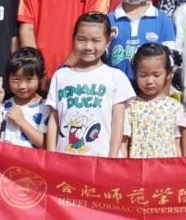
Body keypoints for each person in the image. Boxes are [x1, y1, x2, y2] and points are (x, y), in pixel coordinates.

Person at [45, 13, 135, 157]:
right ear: (73, 39)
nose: (88, 46)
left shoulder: (116, 77)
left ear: (107, 42)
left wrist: (112, 158)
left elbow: (118, 122)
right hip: (65, 160)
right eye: (81, 39)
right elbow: (54, 119)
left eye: (96, 40)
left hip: (102, 160)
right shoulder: (60, 76)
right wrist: (51, 156)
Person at [107, 0, 176, 79]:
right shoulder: (109, 20)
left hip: (150, 87)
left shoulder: (163, 20)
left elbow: (170, 60)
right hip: (116, 86)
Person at [123, 43, 184, 158]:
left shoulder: (175, 107)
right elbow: (123, 144)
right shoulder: (130, 106)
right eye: (143, 75)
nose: (150, 81)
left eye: (156, 75)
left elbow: (177, 144)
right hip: (138, 166)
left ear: (168, 74)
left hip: (167, 166)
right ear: (135, 73)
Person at [0, 48, 49, 148]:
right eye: (16, 79)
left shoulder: (45, 107)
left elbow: (45, 144)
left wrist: (21, 121)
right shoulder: (4, 105)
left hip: (31, 158)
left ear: (40, 78)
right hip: (6, 157)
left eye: (29, 79)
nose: (22, 86)